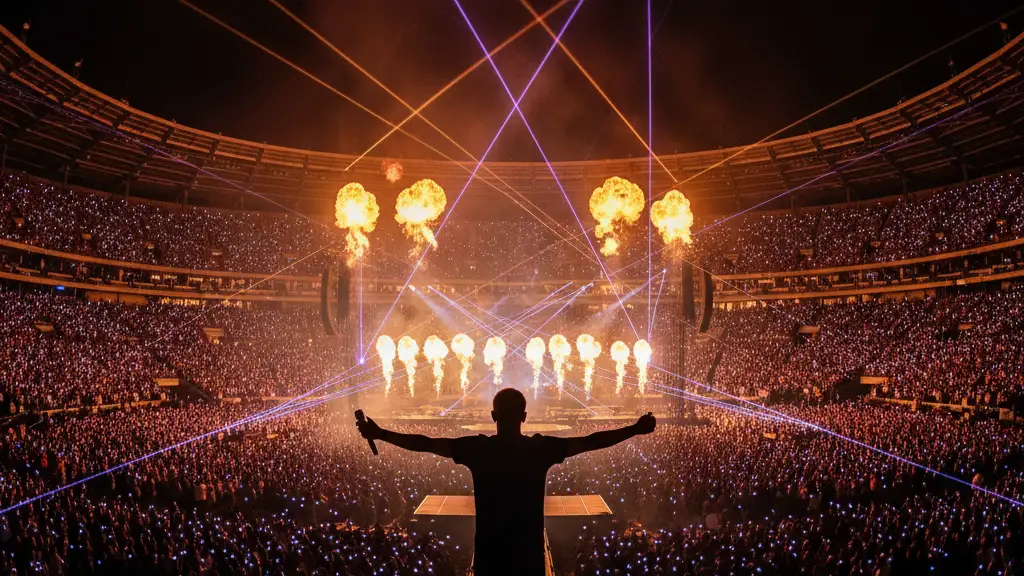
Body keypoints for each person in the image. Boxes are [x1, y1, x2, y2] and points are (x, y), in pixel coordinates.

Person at [356, 387, 656, 576]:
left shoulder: (478, 450)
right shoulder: (539, 450)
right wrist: (634, 429)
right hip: (528, 556)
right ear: (524, 416)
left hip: (491, 555)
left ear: (492, 415)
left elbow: (425, 443)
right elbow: (591, 441)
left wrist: (382, 434)